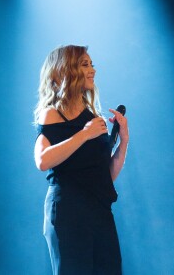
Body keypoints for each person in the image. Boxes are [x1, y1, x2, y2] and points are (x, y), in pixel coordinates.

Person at [34, 45, 129, 275]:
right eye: (85, 64)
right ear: (66, 70)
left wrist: (123, 140)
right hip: (69, 211)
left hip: (99, 210)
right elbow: (42, 160)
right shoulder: (53, 113)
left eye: (92, 64)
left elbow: (106, 177)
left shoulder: (92, 117)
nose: (92, 70)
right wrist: (84, 134)